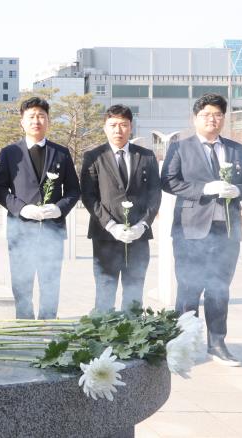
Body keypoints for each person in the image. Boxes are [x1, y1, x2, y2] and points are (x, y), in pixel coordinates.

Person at [161, 93, 242, 366]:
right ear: (195, 118)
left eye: (217, 115)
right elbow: (168, 182)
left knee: (219, 289)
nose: (212, 120)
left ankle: (217, 344)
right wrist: (203, 189)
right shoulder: (180, 147)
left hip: (227, 231)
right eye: (206, 115)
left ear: (223, 119)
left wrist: (237, 189)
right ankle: (182, 343)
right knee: (189, 289)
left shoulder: (236, 149)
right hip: (191, 229)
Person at [0, 97, 81, 320]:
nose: (36, 121)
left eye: (41, 116)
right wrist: (21, 209)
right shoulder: (10, 153)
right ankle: (25, 333)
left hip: (52, 231)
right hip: (21, 232)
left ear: (48, 121)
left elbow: (73, 190)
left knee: (50, 287)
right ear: (22, 122)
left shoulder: (61, 152)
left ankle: (48, 331)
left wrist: (59, 209)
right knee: (21, 288)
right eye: (31, 116)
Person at [80, 105, 162, 312]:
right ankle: (103, 339)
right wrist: (111, 225)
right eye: (113, 125)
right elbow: (89, 196)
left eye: (124, 125)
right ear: (105, 128)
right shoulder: (93, 156)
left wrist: (143, 225)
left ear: (131, 127)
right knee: (105, 292)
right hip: (105, 237)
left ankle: (132, 340)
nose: (119, 130)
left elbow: (155, 194)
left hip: (138, 237)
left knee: (134, 295)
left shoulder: (146, 156)